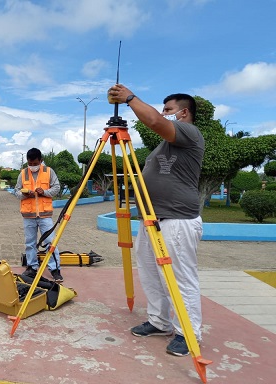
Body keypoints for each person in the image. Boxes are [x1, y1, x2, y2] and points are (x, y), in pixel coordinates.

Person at [108, 84, 205, 357]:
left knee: (180, 278)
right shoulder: (166, 144)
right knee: (151, 274)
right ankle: (159, 322)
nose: (164, 114)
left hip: (177, 219)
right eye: (164, 110)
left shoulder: (189, 132)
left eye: (169, 110)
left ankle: (189, 333)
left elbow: (153, 121)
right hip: (152, 220)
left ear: (183, 113)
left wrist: (129, 98)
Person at [14, 148, 63, 282]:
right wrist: (23, 194)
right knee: (30, 243)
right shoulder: (23, 173)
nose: (33, 166)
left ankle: (55, 269)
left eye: (35, 163)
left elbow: (56, 187)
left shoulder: (48, 171)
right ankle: (31, 267)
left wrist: (44, 192)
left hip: (45, 215)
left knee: (50, 242)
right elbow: (16, 191)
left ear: (40, 161)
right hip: (28, 215)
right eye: (30, 163)